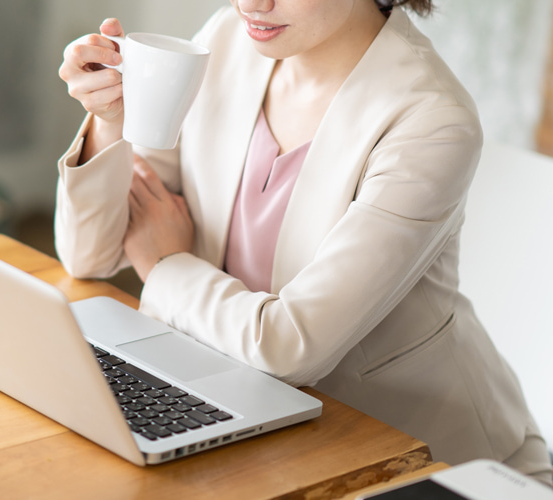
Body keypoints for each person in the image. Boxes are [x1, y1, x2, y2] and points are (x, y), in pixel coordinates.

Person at [56, 0, 553, 483]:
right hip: (253, 418)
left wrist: (166, 263)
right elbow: (90, 255)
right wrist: (110, 120)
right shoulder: (228, 41)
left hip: (426, 461)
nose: (251, 3)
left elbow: (291, 348)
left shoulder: (431, 121)